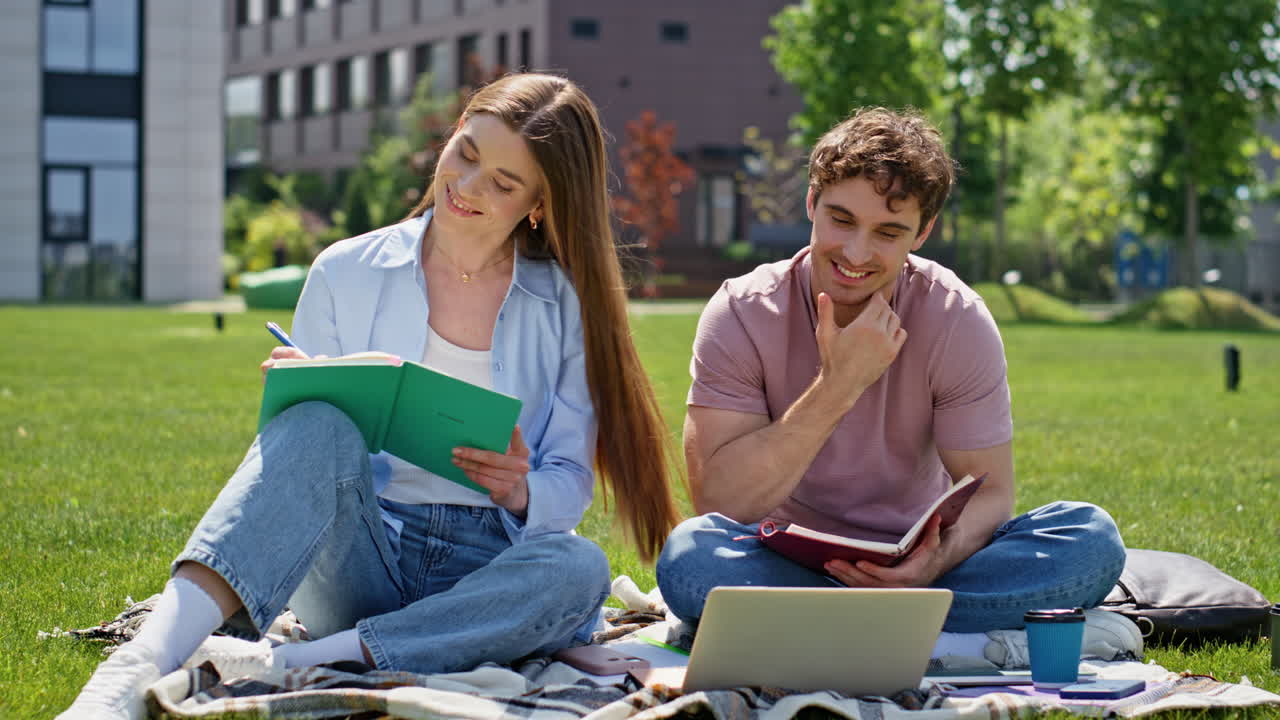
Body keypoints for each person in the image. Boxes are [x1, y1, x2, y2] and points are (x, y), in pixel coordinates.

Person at [59, 73, 680, 720]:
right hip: (363, 553)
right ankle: (137, 665)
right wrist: (307, 395)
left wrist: (521, 491)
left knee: (579, 570)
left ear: (540, 204)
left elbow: (571, 480)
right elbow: (296, 469)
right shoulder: (343, 272)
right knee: (317, 423)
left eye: (501, 182)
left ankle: (301, 661)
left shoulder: (562, 306)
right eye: (465, 153)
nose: (466, 187)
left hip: (488, 570)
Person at [655, 107, 1137, 665]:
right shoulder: (741, 311)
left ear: (922, 232)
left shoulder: (956, 317)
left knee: (1090, 540)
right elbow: (720, 500)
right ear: (811, 203)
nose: (857, 254)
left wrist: (929, 566)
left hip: (925, 563)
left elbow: (990, 494)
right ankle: (948, 638)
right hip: (782, 560)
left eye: (888, 232)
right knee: (690, 560)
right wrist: (840, 384)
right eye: (841, 219)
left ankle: (837, 624)